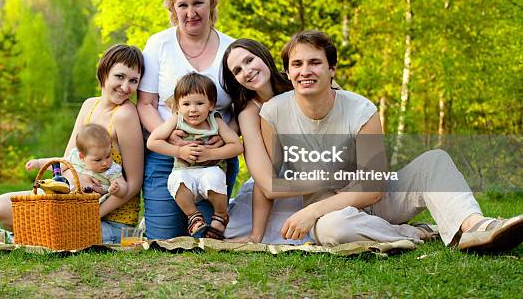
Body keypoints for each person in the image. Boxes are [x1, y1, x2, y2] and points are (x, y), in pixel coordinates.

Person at [258, 30, 522, 251]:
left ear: (331, 70)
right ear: (288, 73)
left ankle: (477, 226)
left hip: (377, 200)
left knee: (434, 161)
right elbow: (273, 180)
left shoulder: (360, 109)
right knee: (334, 229)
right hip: (332, 214)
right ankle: (411, 233)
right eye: (297, 64)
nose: (305, 71)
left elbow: (374, 187)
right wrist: (306, 211)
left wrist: (311, 211)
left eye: (315, 62)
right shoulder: (273, 113)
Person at [0, 44, 145, 244]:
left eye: (133, 81)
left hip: (109, 219)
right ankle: (40, 230)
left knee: (50, 230)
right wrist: (77, 180)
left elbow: (133, 184)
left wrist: (89, 215)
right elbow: (66, 163)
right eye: (120, 76)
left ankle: (37, 233)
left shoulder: (125, 114)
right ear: (104, 71)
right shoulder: (90, 105)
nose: (126, 87)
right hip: (73, 203)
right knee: (0, 207)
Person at [137, 0, 239, 239]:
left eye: (198, 3)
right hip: (166, 156)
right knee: (165, 240)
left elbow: (243, 107)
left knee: (206, 239)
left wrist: (225, 138)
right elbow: (146, 103)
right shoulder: (159, 45)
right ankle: (153, 223)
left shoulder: (232, 49)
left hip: (214, 160)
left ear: (212, 4)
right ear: (172, 8)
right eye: (182, 5)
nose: (191, 13)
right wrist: (172, 140)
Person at [219, 38, 309, 244]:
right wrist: (255, 237)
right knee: (232, 229)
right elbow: (266, 183)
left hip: (319, 171)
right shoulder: (249, 112)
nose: (247, 71)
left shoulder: (302, 82)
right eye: (237, 70)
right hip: (279, 185)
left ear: (263, 55)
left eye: (249, 60)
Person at [147, 73, 243, 239]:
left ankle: (221, 215)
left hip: (210, 168)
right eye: (186, 104)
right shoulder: (176, 120)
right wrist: (179, 151)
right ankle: (193, 216)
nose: (193, 109)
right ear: (178, 106)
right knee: (176, 179)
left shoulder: (215, 121)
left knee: (213, 178)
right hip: (185, 170)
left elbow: (236, 146)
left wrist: (210, 154)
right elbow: (153, 142)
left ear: (211, 105)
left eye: (200, 103)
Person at [26, 123, 129, 214]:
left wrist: (117, 189)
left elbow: (123, 186)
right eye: (98, 160)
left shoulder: (111, 169)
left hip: (85, 205)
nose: (105, 163)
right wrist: (39, 163)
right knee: (44, 194)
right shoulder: (75, 158)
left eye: (108, 156)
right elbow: (59, 163)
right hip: (64, 197)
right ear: (82, 157)